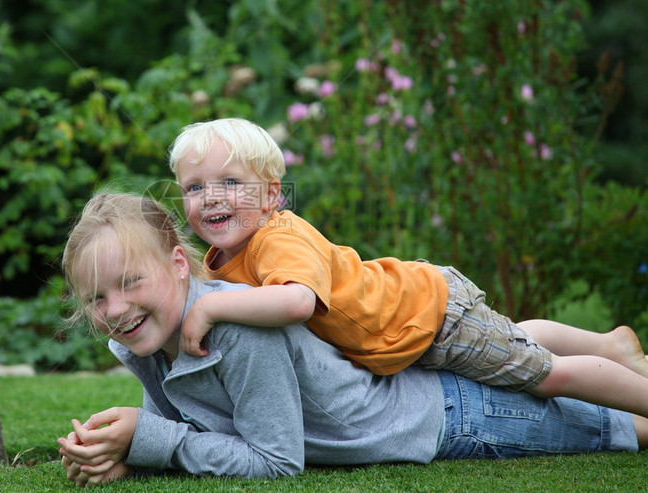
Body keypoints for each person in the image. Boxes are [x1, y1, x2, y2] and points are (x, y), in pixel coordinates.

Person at [57, 192, 646, 487]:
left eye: (131, 283)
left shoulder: (237, 329)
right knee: (511, 347)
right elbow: (194, 426)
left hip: (443, 416)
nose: (115, 311)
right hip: (406, 375)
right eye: (96, 298)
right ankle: (608, 347)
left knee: (616, 427)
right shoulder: (134, 341)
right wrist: (127, 450)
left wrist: (150, 440)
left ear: (179, 264)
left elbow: (275, 461)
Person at [167, 117, 648, 419]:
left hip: (428, 315)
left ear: (272, 195)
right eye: (194, 188)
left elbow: (297, 301)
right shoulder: (222, 259)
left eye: (230, 182)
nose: (210, 197)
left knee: (546, 375)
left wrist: (209, 309)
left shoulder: (277, 238)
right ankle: (610, 346)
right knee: (510, 336)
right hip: (410, 320)